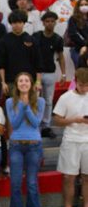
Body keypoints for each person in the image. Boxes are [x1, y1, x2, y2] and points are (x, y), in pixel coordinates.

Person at [6, 72, 45, 207]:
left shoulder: (40, 101)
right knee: (15, 182)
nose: (23, 83)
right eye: (20, 81)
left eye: (26, 80)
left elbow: (36, 123)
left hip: (34, 145)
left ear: (31, 83)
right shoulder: (10, 102)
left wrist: (26, 107)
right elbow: (14, 124)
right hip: (16, 145)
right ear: (16, 84)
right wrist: (23, 107)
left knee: (31, 182)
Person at [53, 68, 88, 207]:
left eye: (87, 85)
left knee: (87, 177)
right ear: (75, 82)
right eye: (82, 85)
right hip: (71, 139)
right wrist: (75, 119)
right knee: (68, 177)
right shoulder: (65, 97)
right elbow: (57, 120)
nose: (85, 88)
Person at [32, 11, 66, 139]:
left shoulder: (58, 39)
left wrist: (63, 74)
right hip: (36, 73)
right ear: (43, 22)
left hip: (51, 72)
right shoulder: (36, 36)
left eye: (52, 21)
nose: (50, 23)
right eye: (47, 21)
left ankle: (46, 126)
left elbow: (61, 57)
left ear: (55, 22)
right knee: (35, 100)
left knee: (48, 101)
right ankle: (35, 125)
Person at [0, 9, 43, 96]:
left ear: (24, 23)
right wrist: (3, 82)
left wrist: (38, 82)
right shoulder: (4, 41)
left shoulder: (32, 40)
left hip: (29, 81)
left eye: (20, 22)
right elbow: (1, 64)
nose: (17, 25)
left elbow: (38, 63)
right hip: (11, 82)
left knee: (30, 108)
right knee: (13, 107)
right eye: (14, 23)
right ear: (11, 24)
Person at [66, 0, 88, 67]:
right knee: (80, 71)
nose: (84, 6)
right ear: (78, 7)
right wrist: (85, 44)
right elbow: (73, 34)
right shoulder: (73, 19)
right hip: (77, 49)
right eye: (81, 5)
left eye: (86, 4)